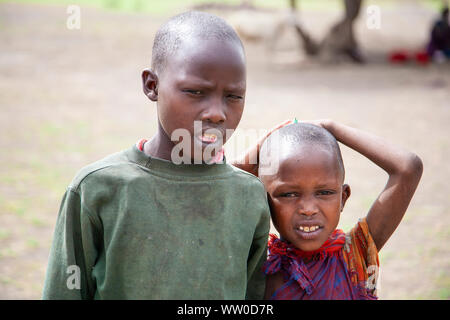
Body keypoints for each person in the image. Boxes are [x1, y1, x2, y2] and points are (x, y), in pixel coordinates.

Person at [42, 11, 270, 299]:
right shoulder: (97, 188)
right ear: (152, 86)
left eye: (233, 96)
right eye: (196, 91)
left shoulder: (249, 197)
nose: (216, 112)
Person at [234, 120, 423, 299]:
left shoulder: (355, 255)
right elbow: (207, 198)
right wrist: (239, 167)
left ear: (343, 198)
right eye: (289, 194)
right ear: (264, 200)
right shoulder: (256, 264)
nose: (308, 209)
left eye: (324, 192)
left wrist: (331, 126)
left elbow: (408, 168)